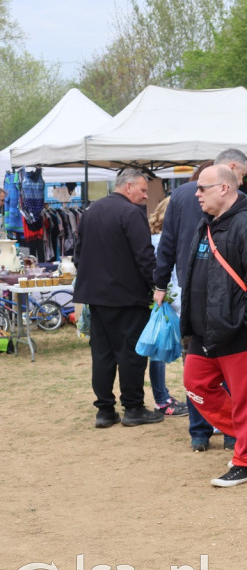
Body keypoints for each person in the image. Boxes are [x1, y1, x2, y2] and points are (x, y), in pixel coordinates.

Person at [180, 162, 247, 488]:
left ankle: (246, 461)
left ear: (224, 188)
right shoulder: (206, 224)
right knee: (195, 384)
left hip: (237, 330)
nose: (196, 194)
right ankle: (246, 429)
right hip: (205, 329)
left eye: (202, 188)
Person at [74, 168, 165, 428]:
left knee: (102, 353)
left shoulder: (90, 212)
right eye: (143, 190)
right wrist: (158, 286)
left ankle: (104, 410)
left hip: (97, 297)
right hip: (127, 297)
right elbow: (145, 255)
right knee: (131, 354)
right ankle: (133, 407)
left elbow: (78, 255)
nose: (146, 196)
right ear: (128, 187)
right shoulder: (131, 213)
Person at [154, 160, 230, 451]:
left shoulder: (179, 198)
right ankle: (230, 432)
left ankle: (199, 432)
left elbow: (167, 244)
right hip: (223, 288)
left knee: (195, 363)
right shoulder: (227, 196)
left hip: (191, 287)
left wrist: (161, 284)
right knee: (226, 361)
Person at [147, 197, 187, 416]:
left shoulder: (151, 239)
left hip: (162, 300)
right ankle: (163, 399)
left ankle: (162, 397)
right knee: (164, 352)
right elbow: (169, 276)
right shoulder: (168, 241)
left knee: (158, 351)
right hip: (171, 302)